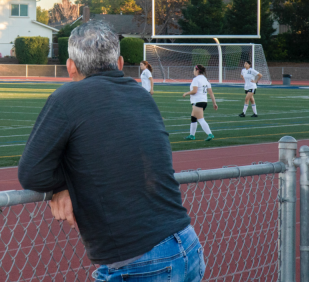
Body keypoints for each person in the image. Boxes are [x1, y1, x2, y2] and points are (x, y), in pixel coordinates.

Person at [18, 21, 204, 281]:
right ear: (119, 63)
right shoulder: (142, 97)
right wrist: (65, 185)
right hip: (187, 243)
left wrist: (61, 185)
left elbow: (31, 173)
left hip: (139, 262)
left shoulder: (67, 98)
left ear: (70, 67)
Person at [183, 65, 218, 141]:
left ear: (197, 70)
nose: (193, 71)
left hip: (197, 101)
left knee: (201, 119)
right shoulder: (206, 80)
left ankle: (210, 134)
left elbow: (194, 91)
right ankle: (192, 135)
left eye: (194, 70)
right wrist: (214, 103)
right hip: (204, 101)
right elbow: (211, 93)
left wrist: (186, 93)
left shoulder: (196, 79)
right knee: (193, 117)